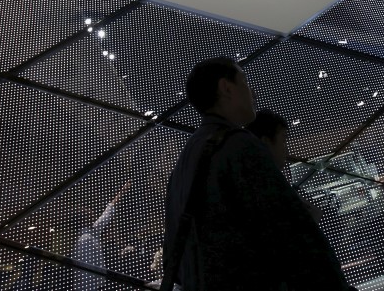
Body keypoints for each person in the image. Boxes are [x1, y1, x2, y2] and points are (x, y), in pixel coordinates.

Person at [163, 57, 354, 291]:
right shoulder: (238, 145)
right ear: (227, 88)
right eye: (245, 81)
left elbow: (174, 255)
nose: (253, 92)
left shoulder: (184, 163)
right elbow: (293, 234)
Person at [247, 108, 323, 222]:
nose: (286, 150)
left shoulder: (252, 188)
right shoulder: (270, 195)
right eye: (283, 140)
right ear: (265, 142)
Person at [72, 180, 131, 290]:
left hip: (97, 285)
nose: (91, 211)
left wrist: (122, 191)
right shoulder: (85, 239)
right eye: (86, 211)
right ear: (83, 219)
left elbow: (108, 212)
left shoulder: (92, 232)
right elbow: (86, 271)